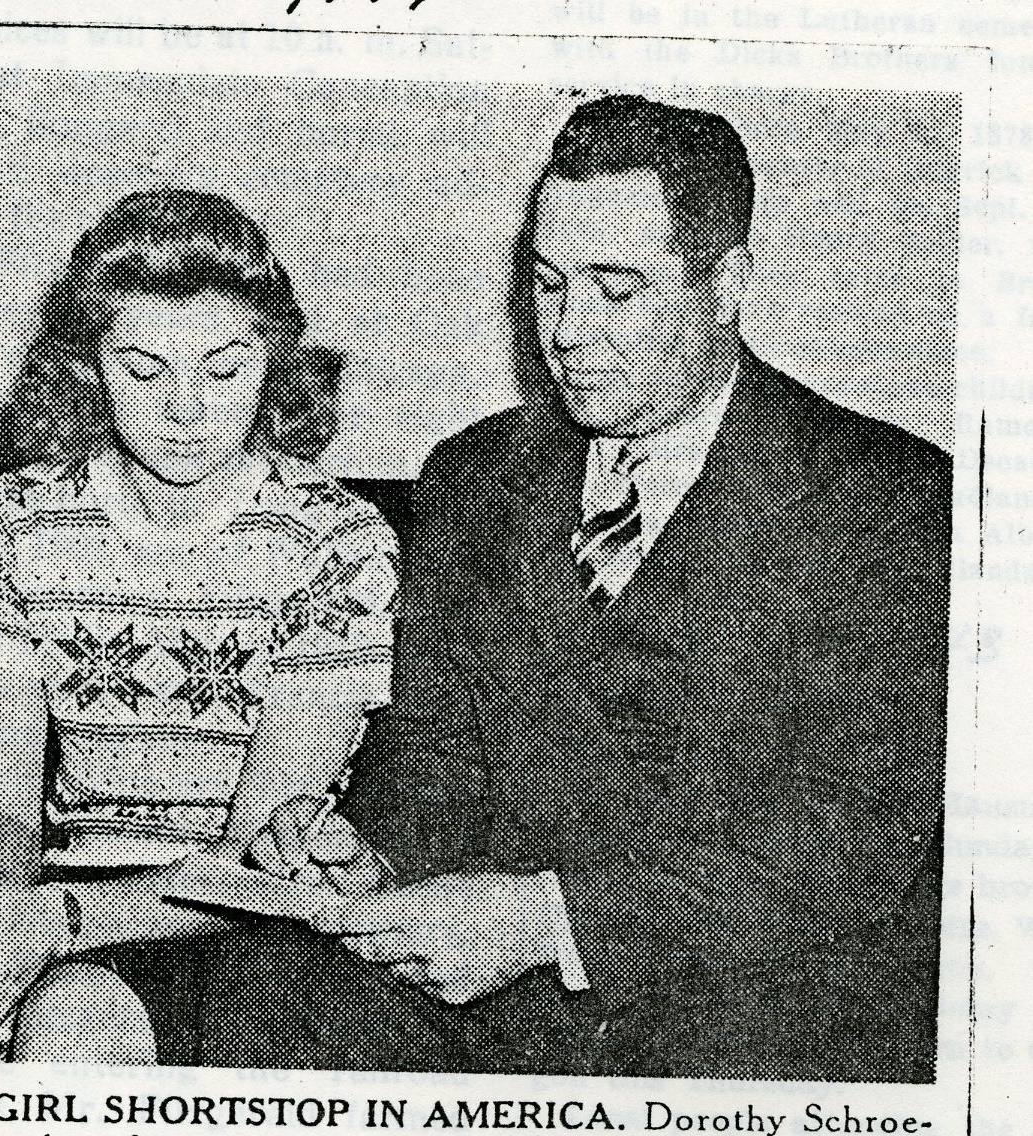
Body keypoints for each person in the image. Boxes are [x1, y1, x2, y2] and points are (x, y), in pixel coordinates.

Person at [232, 93, 952, 1081]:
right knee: (264, 989)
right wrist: (368, 857)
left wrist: (542, 921)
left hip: (753, 997)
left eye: (615, 291)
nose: (565, 331)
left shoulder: (882, 499)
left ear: (725, 284)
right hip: (505, 1007)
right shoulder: (473, 478)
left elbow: (850, 831)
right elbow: (432, 765)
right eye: (547, 284)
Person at [0, 189, 398, 1063]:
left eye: (223, 370)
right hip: (55, 896)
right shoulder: (13, 522)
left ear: (273, 364)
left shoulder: (336, 543)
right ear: (88, 367)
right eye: (145, 370)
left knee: (69, 1031)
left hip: (242, 925)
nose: (184, 411)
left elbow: (256, 857)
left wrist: (53, 926)